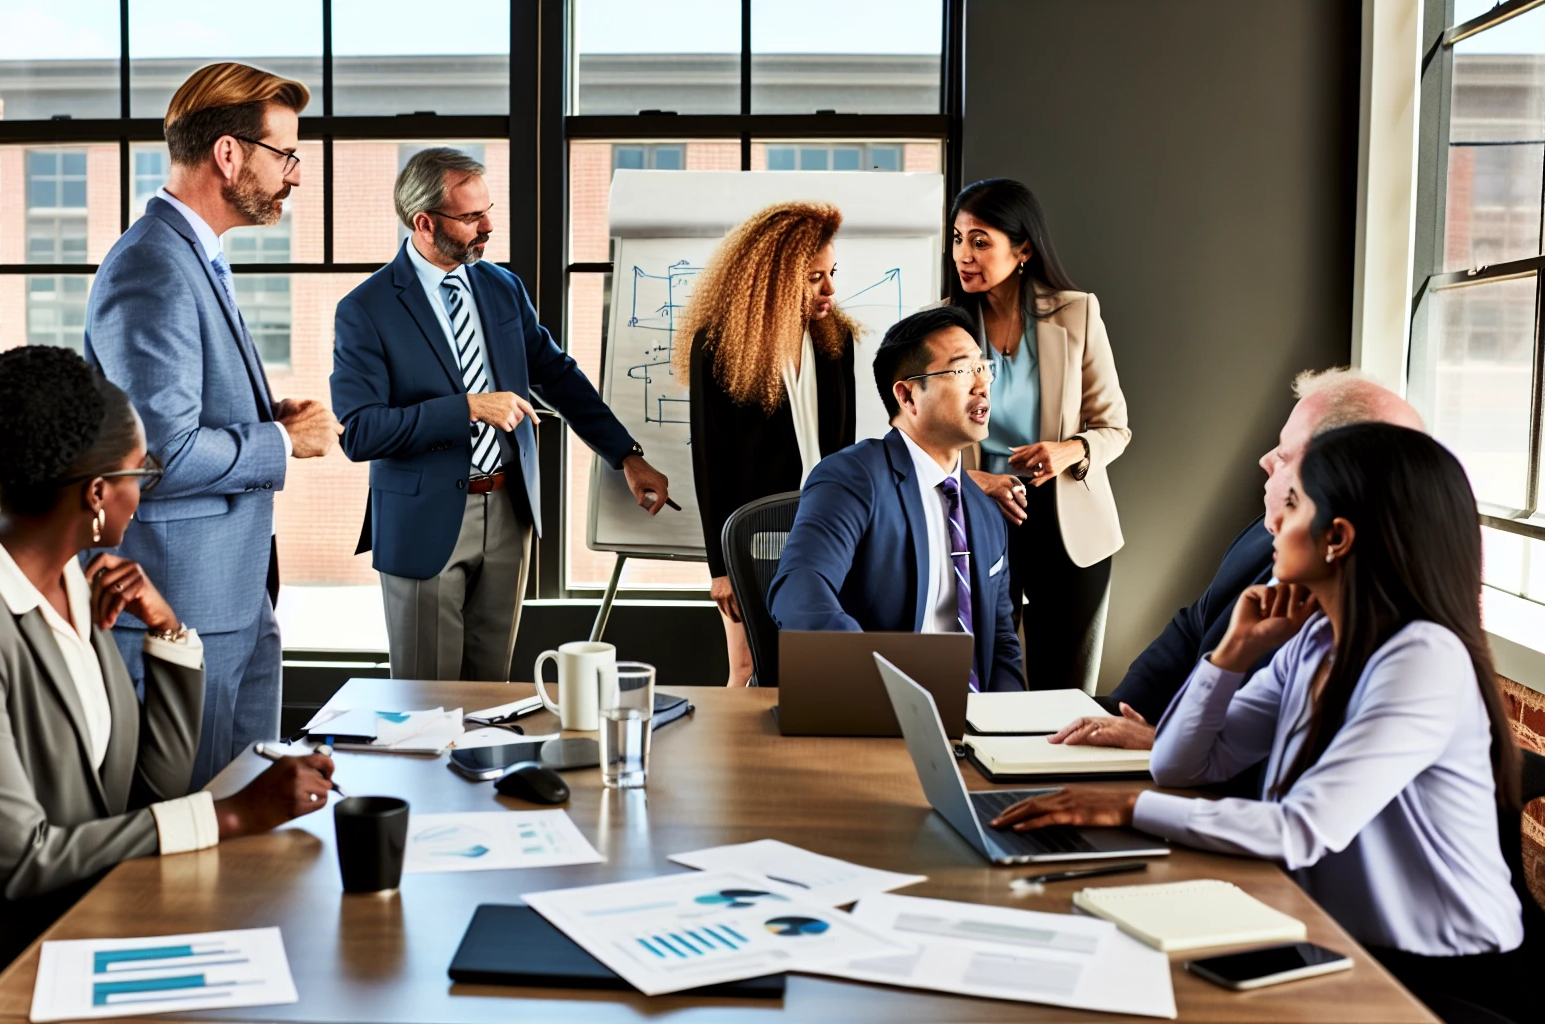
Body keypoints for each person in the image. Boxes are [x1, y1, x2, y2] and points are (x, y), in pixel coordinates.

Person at [0, 346, 335, 1010]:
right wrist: (236, 812)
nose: (145, 487)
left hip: (85, 909)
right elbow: (17, 862)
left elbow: (143, 794)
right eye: (142, 471)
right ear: (98, 494)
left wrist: (167, 634)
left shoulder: (74, 583)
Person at [992, 423, 1524, 1014]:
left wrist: (1126, 806)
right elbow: (1179, 765)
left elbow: (1301, 830)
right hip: (1333, 937)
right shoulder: (1316, 638)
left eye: (1293, 505)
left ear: (1337, 538)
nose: (1273, 522)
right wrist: (1231, 654)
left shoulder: (1421, 659)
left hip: (1440, 976)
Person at [85, 63, 342, 789]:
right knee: (192, 833)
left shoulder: (194, 256)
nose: (294, 176)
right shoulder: (154, 267)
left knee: (241, 820)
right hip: (179, 605)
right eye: (285, 155)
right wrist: (283, 441)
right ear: (229, 154)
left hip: (231, 598)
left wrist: (263, 417)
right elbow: (160, 453)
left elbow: (178, 417)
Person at [331, 148, 670, 681]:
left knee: (488, 691)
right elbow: (361, 432)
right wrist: (466, 408)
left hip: (510, 510)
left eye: (488, 211)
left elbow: (558, 376)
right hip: (424, 523)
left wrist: (625, 454)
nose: (488, 226)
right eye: (471, 217)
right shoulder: (366, 309)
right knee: (427, 697)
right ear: (424, 222)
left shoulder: (502, 288)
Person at [1049, 368, 1424, 751]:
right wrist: (1116, 715)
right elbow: (1192, 627)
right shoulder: (1265, 537)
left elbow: (1277, 778)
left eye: (1284, 454)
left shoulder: (1398, 645)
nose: (1265, 460)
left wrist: (1159, 743)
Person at [769, 305, 1025, 692]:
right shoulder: (853, 478)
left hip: (972, 728)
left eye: (982, 367)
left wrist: (1007, 731)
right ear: (907, 396)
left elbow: (1002, 646)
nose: (981, 385)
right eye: (961, 370)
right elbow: (799, 589)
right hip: (879, 711)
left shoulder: (985, 513)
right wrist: (879, 684)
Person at [948, 179, 1130, 691]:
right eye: (958, 238)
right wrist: (975, 479)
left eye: (980, 241)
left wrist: (1069, 450)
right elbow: (916, 440)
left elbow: (1115, 427)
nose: (965, 254)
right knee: (981, 685)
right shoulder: (942, 326)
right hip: (980, 522)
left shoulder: (1077, 313)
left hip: (1070, 529)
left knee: (1066, 695)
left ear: (1023, 248)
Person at [673, 202, 858, 687]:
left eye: (832, 273)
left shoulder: (835, 338)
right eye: (815, 277)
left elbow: (845, 446)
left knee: (816, 668)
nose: (831, 290)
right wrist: (721, 567)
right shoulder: (717, 346)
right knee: (748, 665)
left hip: (825, 531)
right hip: (752, 537)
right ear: (776, 279)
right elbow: (710, 463)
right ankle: (740, 766)